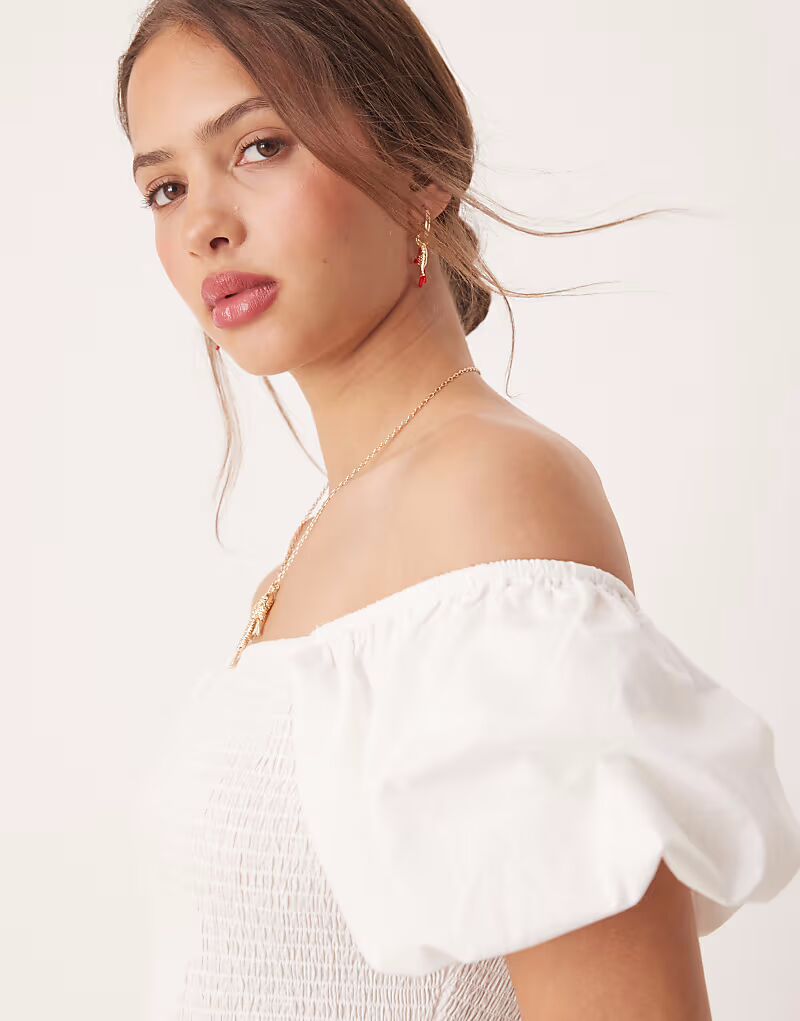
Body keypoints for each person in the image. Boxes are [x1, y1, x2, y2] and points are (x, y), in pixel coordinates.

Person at [117, 2, 800, 1018]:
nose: (202, 226)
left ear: (420, 169)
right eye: (165, 187)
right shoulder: (337, 524)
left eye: (260, 146)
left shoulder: (485, 495)